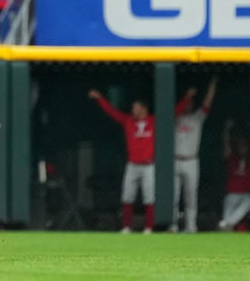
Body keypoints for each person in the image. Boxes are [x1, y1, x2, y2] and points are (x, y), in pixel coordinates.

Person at [88, 90, 157, 234]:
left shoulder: (153, 121)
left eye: (136, 107)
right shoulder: (128, 120)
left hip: (148, 165)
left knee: (149, 197)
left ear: (143, 108)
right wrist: (100, 99)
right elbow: (112, 112)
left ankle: (149, 228)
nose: (133, 110)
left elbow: (174, 112)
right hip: (132, 165)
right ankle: (126, 227)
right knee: (127, 196)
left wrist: (187, 98)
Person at [171, 79, 217, 233]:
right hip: (175, 159)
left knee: (191, 195)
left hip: (191, 160)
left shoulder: (197, 117)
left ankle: (191, 226)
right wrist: (187, 97)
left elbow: (207, 104)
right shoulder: (175, 116)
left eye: (191, 102)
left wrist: (212, 85)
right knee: (173, 195)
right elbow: (174, 111)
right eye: (187, 103)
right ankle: (173, 225)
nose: (188, 105)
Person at [218, 121, 250, 231]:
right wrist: (226, 130)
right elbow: (226, 146)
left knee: (249, 200)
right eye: (240, 146)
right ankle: (228, 224)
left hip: (246, 195)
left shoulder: (248, 161)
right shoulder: (232, 159)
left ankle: (227, 223)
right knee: (227, 217)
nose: (242, 148)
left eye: (244, 146)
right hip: (231, 195)